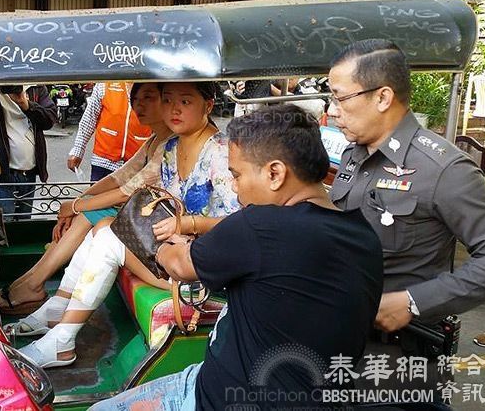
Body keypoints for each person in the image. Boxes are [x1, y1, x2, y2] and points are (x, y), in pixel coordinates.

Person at [91, 105, 383, 410]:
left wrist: (157, 242)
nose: (234, 186)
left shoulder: (260, 225)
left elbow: (179, 265)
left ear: (275, 173)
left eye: (237, 174)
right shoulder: (364, 237)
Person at [12, 82, 241, 369]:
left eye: (185, 101)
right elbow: (133, 184)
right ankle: (58, 313)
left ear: (208, 106)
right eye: (168, 100)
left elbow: (241, 224)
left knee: (108, 236)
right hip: (171, 255)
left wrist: (188, 225)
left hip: (207, 269)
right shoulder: (171, 146)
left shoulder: (220, 153)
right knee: (104, 229)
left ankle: (62, 339)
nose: (174, 109)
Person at [327, 39, 485, 388]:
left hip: (398, 359)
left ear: (382, 97)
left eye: (340, 98)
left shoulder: (443, 170)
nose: (333, 110)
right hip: (341, 341)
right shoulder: (353, 155)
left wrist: (414, 302)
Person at [0, 82, 173, 314]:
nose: (138, 106)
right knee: (88, 212)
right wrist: (78, 202)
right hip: (142, 211)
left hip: (165, 231)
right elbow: (117, 178)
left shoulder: (171, 144)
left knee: (93, 213)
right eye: (135, 99)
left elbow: (126, 191)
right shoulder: (154, 141)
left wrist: (77, 205)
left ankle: (34, 285)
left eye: (148, 98)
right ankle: (31, 282)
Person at [0, 85, 56, 218]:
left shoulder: (36, 88)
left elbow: (49, 120)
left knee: (23, 224)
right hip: (3, 175)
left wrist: (26, 104)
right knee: (4, 226)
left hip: (29, 173)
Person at [68, 82, 152, 181]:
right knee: (98, 195)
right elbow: (89, 119)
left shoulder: (152, 86)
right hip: (103, 161)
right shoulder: (104, 85)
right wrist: (78, 151)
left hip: (138, 163)